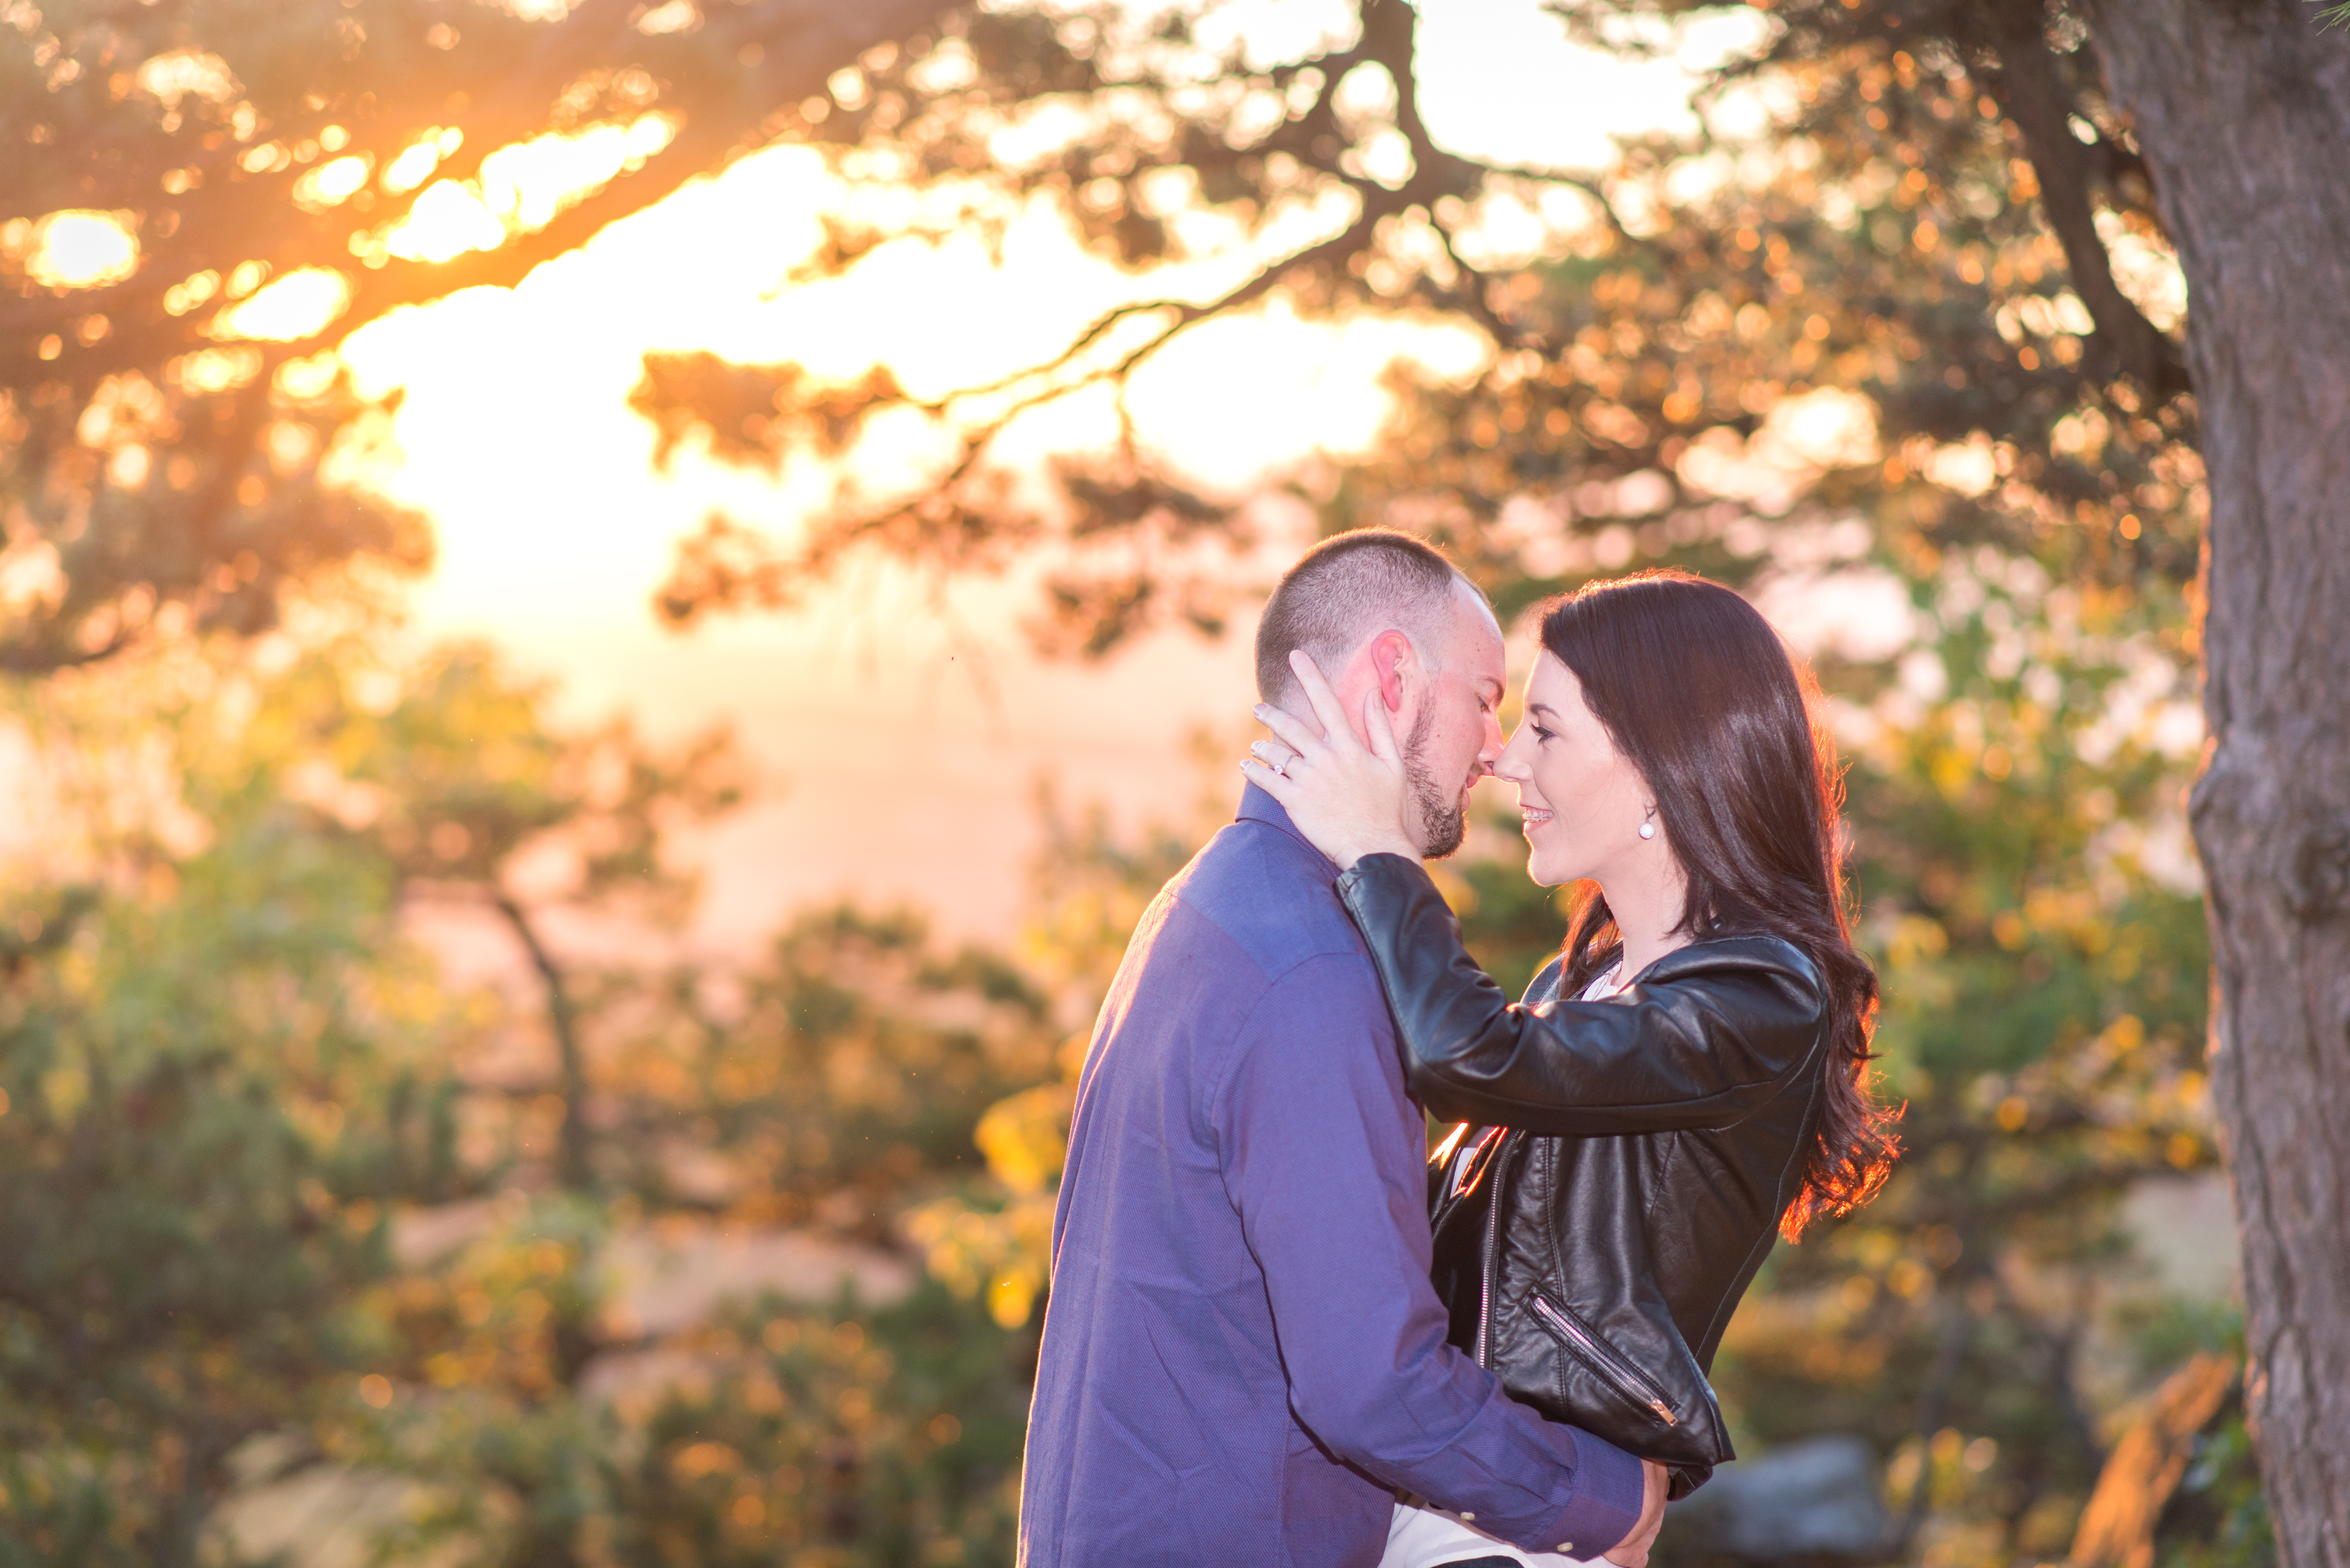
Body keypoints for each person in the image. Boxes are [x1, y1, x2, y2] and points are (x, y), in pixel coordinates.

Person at [1019, 530, 1670, 1568]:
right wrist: (1606, 1499)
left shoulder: (1209, 899)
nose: (1494, 748)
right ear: (1394, 676)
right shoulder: (1310, 968)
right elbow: (1373, 1388)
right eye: (1485, 698)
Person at [1243, 569, 1900, 1568]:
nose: (1505, 757)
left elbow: (1466, 1054)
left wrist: (1380, 855)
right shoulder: (1581, 979)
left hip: (1531, 1528)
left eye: (1544, 729)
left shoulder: (1763, 998)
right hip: (1456, 1498)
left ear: (1652, 766)